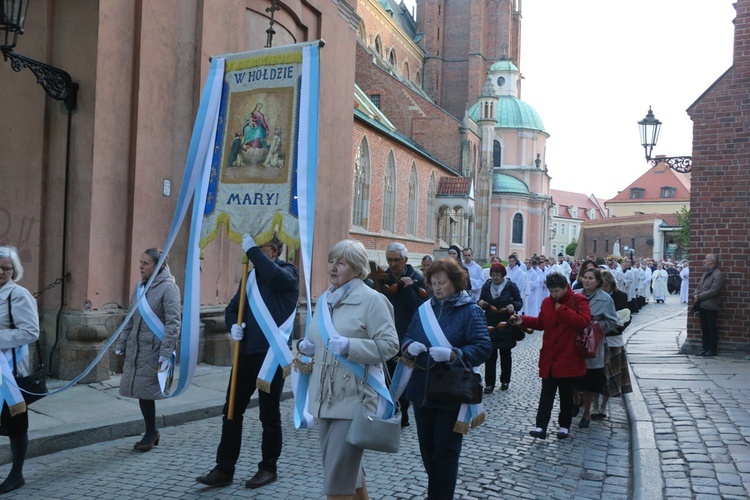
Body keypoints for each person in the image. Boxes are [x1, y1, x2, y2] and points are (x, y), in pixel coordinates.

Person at [197, 234, 299, 489]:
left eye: (259, 249)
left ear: (274, 252)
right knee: (231, 412)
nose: (250, 255)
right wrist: (234, 326)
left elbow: (275, 277)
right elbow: (232, 308)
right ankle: (224, 467)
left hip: (270, 359)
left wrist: (252, 250)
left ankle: (268, 467)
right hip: (245, 357)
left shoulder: (289, 273)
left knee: (269, 416)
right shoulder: (250, 276)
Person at [300, 239, 399, 499]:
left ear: (356, 269)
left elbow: (389, 346)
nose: (333, 267)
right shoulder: (325, 300)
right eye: (331, 261)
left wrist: (350, 346)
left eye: (341, 263)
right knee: (347, 473)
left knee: (337, 481)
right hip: (324, 398)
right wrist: (309, 347)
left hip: (355, 400)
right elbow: (319, 339)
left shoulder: (372, 301)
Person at [401, 258, 491, 499]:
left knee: (445, 454)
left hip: (451, 392)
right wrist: (410, 347)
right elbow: (407, 336)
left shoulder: (470, 310)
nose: (437, 287)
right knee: (428, 452)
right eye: (433, 283)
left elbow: (483, 347)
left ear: (455, 282)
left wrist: (454, 354)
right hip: (422, 390)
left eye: (442, 282)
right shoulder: (424, 310)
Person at [509, 272, 591, 440]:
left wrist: (563, 310)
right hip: (550, 356)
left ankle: (564, 426)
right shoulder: (547, 302)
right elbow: (541, 323)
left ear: (565, 287)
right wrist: (523, 320)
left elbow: (584, 321)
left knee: (566, 395)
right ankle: (541, 427)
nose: (554, 295)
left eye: (557, 291)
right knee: (546, 393)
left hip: (568, 355)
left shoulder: (578, 300)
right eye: (551, 291)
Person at [116, 248, 181, 452]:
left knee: (147, 391)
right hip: (138, 347)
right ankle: (151, 431)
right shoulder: (140, 287)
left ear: (158, 266)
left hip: (154, 348)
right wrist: (122, 343)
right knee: (143, 392)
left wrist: (165, 353)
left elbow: (173, 323)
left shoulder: (168, 288)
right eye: (140, 262)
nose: (140, 266)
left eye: (146, 263)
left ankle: (151, 432)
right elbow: (130, 318)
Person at [0, 246, 40, 493]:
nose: (1, 272)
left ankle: (16, 474)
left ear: (14, 270)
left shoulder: (18, 295)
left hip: (10, 371)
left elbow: (30, 332)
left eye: (6, 268)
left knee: (15, 422)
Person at [382, 242, 428, 426]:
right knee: (386, 376)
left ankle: (403, 414)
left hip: (406, 336)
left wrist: (408, 290)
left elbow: (420, 308)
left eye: (397, 260)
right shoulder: (382, 278)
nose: (393, 264)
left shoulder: (417, 279)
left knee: (403, 378)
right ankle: (387, 411)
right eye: (390, 260)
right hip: (385, 334)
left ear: (405, 260)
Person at [575, 268, 617, 429]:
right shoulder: (575, 295)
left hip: (593, 344)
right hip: (574, 341)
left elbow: (612, 322)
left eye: (590, 278)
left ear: (598, 282)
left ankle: (586, 412)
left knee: (589, 380)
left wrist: (597, 327)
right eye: (585, 278)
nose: (586, 281)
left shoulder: (605, 299)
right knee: (572, 378)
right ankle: (574, 402)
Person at [478, 263, 523, 393]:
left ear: (503, 275)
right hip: (490, 323)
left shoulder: (510, 286)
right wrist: (481, 303)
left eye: (498, 275)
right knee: (490, 355)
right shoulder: (487, 286)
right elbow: (480, 300)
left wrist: (513, 306)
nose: (495, 278)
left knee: (505, 354)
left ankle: (505, 381)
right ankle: (489, 383)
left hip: (506, 324)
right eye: (493, 275)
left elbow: (519, 302)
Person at [594, 270, 633, 419]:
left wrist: (620, 325)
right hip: (598, 338)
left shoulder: (620, 296)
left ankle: (604, 405)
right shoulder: (596, 297)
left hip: (614, 339)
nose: (604, 289)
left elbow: (628, 315)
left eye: (606, 285)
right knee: (597, 374)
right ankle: (595, 405)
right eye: (601, 286)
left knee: (611, 375)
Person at [693, 254, 725, 357]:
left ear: (712, 261)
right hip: (702, 305)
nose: (705, 260)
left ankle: (712, 350)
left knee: (712, 329)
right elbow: (699, 286)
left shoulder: (717, 274)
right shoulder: (706, 273)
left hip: (711, 306)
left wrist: (700, 296)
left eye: (706, 259)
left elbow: (714, 291)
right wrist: (695, 294)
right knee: (704, 328)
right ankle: (705, 348)